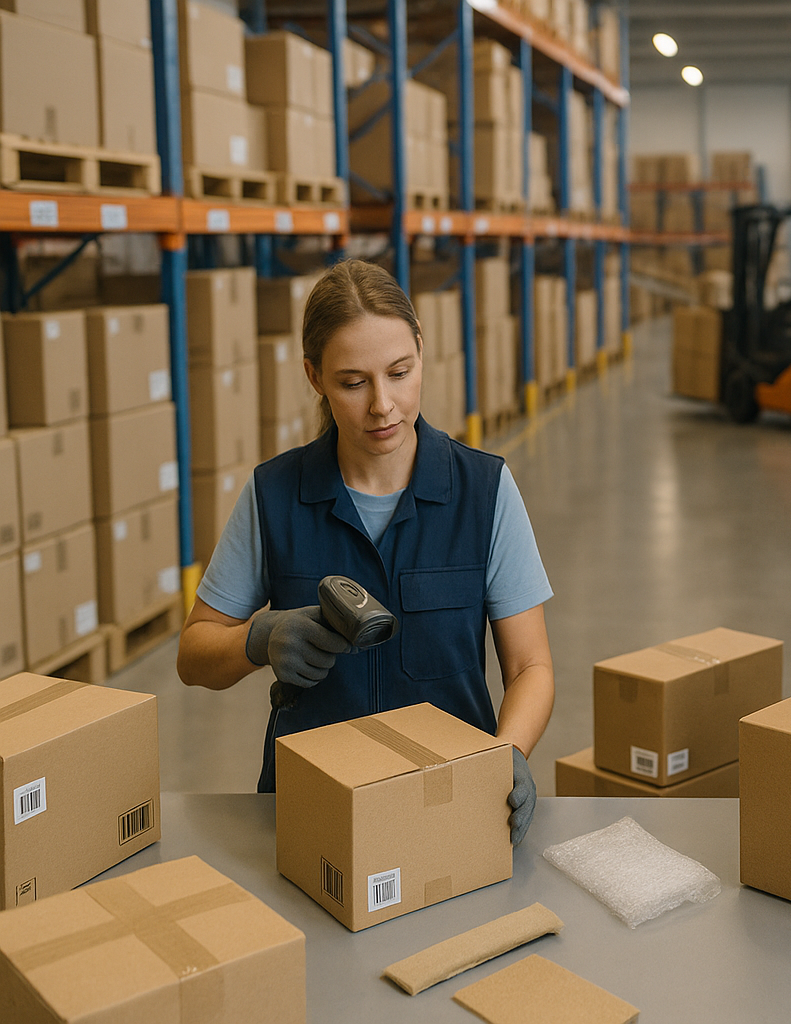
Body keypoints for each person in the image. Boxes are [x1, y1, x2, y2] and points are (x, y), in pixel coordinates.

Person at [177, 259, 554, 843]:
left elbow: (531, 667)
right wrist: (257, 640)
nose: (383, 404)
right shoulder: (275, 496)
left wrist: (508, 753)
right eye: (353, 383)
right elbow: (193, 654)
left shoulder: (484, 491)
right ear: (314, 376)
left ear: (421, 351)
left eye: (399, 373)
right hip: (312, 814)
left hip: (447, 806)